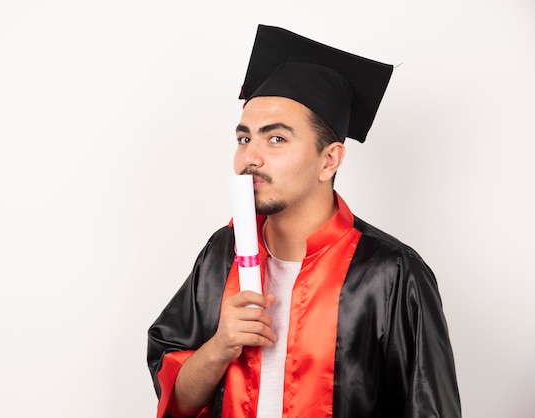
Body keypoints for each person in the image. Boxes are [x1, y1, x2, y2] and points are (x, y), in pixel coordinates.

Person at [147, 24, 461, 418]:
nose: (250, 158)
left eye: (276, 139)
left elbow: (429, 408)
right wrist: (219, 347)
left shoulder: (390, 273)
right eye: (244, 139)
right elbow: (176, 400)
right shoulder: (220, 254)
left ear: (328, 160)